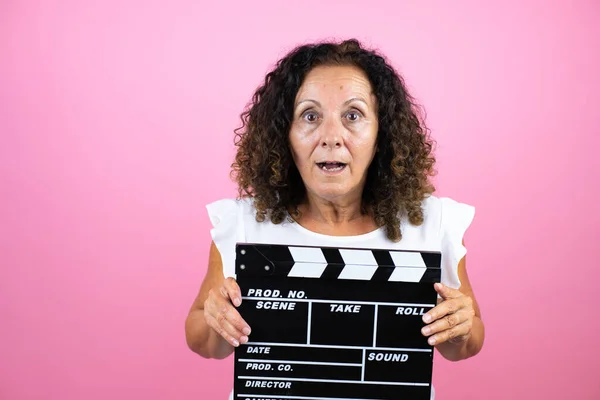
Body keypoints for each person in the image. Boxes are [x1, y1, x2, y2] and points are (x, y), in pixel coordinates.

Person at [185, 38, 485, 399]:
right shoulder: (246, 225)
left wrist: (460, 327)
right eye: (310, 116)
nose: (331, 137)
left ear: (381, 134)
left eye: (353, 115)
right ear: (285, 135)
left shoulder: (431, 223)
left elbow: (463, 345)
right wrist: (218, 321)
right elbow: (203, 340)